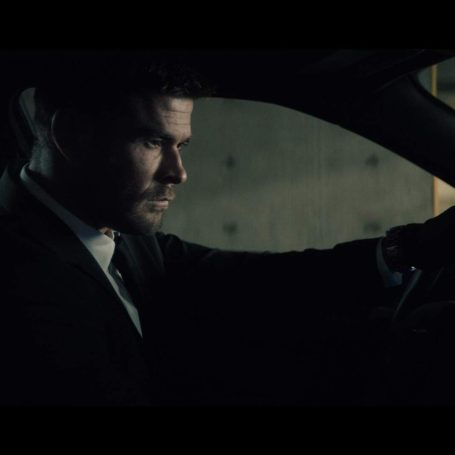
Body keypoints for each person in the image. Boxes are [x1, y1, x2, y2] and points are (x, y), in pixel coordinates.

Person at [0, 55, 452, 406]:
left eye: (181, 146)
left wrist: (403, 250)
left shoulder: (111, 234)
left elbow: (234, 278)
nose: (178, 173)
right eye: (153, 142)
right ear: (70, 135)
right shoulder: (22, 280)